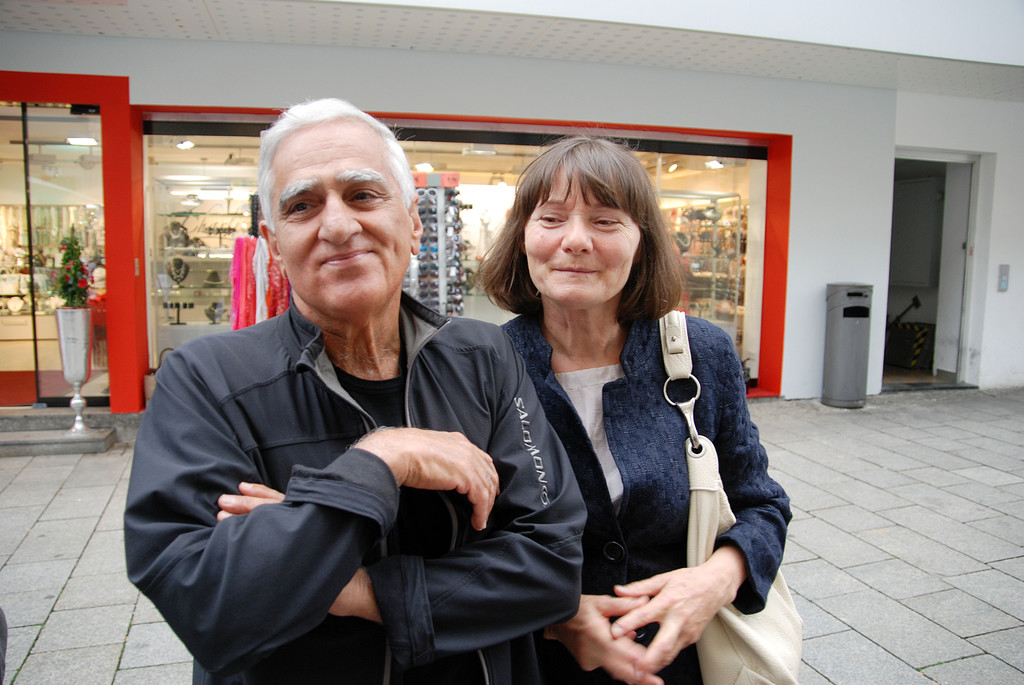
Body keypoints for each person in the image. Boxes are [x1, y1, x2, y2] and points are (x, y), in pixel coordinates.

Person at [124, 98, 586, 685]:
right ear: (273, 242)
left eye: (363, 195)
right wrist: (381, 459)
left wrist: (354, 585)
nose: (338, 226)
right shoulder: (207, 381)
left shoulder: (484, 357)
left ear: (413, 222)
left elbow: (551, 567)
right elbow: (212, 606)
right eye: (302, 206)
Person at [478, 136, 791, 685]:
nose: (575, 241)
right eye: (551, 218)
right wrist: (555, 614)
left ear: (642, 242)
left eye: (605, 221)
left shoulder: (700, 354)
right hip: (535, 665)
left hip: (681, 661)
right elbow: (459, 546)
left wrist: (718, 578)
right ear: (522, 235)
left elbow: (760, 503)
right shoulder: (482, 367)